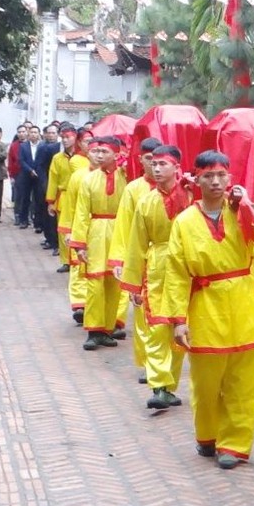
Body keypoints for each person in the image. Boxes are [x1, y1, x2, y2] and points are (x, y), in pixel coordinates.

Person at [155, 151, 254, 468]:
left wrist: (248, 206)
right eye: (208, 176)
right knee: (205, 384)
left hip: (245, 303)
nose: (216, 182)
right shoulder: (185, 222)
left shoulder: (241, 211)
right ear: (196, 179)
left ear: (230, 178)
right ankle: (207, 434)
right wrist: (178, 320)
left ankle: (235, 444)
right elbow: (176, 272)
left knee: (243, 384)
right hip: (204, 305)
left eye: (221, 175)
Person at [122, 143, 192, 411]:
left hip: (189, 265)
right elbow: (137, 243)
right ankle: (159, 385)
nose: (157, 168)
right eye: (154, 163)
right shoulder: (146, 202)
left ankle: (169, 384)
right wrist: (135, 282)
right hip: (158, 267)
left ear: (177, 166)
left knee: (181, 325)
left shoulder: (191, 194)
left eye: (164, 163)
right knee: (156, 326)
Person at [67, 134, 130, 351]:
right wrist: (79, 243)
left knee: (115, 283)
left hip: (120, 232)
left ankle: (108, 328)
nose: (100, 155)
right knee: (95, 283)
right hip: (95, 233)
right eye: (97, 151)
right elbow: (82, 213)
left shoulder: (127, 176)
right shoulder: (88, 179)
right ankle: (94, 330)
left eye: (105, 152)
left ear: (117, 153)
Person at [110, 137, 165, 380]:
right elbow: (124, 226)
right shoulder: (134, 189)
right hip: (143, 254)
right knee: (143, 312)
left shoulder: (182, 189)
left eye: (160, 161)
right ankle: (149, 363)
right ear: (140, 160)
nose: (155, 167)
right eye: (150, 160)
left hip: (171, 258)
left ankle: (164, 363)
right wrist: (121, 261)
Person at [48, 126, 91, 321]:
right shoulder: (74, 164)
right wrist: (50, 199)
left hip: (98, 221)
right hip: (67, 198)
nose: (65, 140)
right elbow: (53, 179)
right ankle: (80, 303)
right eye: (87, 141)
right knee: (74, 253)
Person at [33, 125, 62, 248]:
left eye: (53, 133)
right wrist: (45, 185)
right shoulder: (45, 148)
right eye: (49, 133)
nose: (51, 135)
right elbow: (40, 167)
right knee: (48, 213)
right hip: (49, 185)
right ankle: (51, 239)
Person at [14, 124, 45, 228]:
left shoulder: (43, 145)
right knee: (25, 199)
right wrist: (30, 170)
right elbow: (21, 160)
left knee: (38, 200)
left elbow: (43, 161)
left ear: (39, 134)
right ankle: (24, 221)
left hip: (39, 176)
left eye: (35, 132)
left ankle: (38, 223)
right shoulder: (23, 146)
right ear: (28, 134)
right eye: (31, 132)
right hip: (26, 175)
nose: (33, 134)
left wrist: (37, 170)